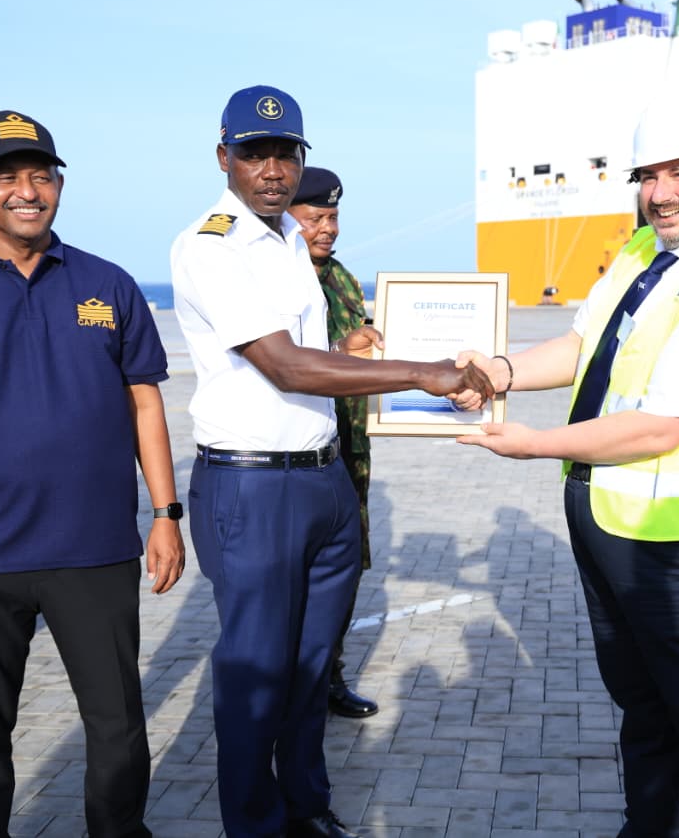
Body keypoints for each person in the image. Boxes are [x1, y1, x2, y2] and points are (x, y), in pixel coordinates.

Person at [455, 103, 679, 837]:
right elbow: (582, 343)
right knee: (648, 704)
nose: (660, 192)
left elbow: (661, 427)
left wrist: (531, 443)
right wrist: (498, 370)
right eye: (647, 176)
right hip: (628, 530)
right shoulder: (645, 254)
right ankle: (649, 824)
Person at [170, 84, 493, 838]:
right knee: (256, 674)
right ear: (225, 158)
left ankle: (307, 807)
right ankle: (254, 823)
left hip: (321, 478)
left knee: (313, 666)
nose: (273, 167)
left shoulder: (289, 240)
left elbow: (327, 354)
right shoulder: (210, 244)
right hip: (250, 484)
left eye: (286, 153)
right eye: (256, 152)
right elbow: (286, 365)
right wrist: (422, 371)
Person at [0, 110, 185, 838]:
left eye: (40, 174)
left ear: (58, 183)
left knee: (117, 731)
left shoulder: (106, 284)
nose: (27, 190)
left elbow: (144, 403)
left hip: (96, 551)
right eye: (6, 175)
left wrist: (168, 514)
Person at [287, 167, 379, 720]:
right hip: (300, 458)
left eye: (333, 216)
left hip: (351, 452)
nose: (328, 228)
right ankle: (291, 686)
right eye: (314, 217)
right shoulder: (278, 276)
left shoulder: (340, 276)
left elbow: (366, 342)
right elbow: (296, 359)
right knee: (297, 580)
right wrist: (346, 346)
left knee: (344, 575)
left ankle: (328, 676)